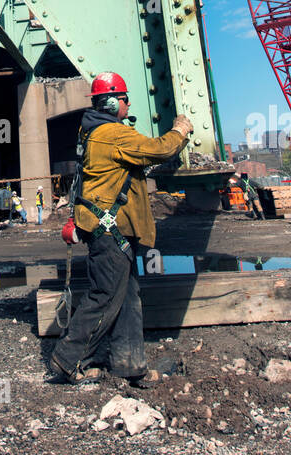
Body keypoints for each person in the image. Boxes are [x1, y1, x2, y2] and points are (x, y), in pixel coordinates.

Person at [49, 73, 193, 387]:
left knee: (127, 298)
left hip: (111, 229)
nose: (129, 104)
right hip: (110, 231)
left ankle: (130, 365)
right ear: (114, 102)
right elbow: (159, 149)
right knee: (105, 297)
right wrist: (180, 131)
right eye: (126, 98)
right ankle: (67, 361)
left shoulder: (92, 131)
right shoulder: (112, 134)